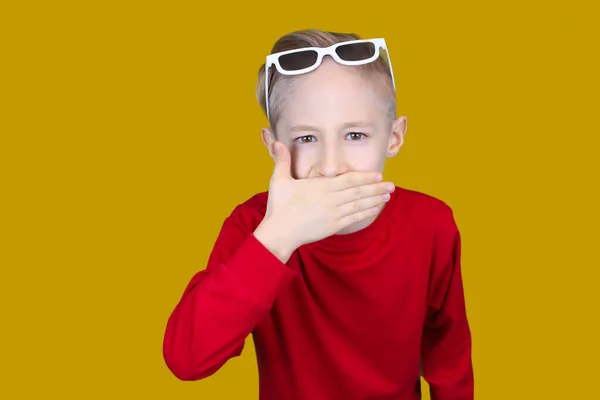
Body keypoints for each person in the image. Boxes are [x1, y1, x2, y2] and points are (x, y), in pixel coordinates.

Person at [162, 29, 474, 400]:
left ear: (394, 137)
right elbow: (187, 359)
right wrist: (276, 238)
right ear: (271, 145)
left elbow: (448, 354)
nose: (330, 166)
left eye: (355, 135)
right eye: (307, 138)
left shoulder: (430, 224)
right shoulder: (255, 227)